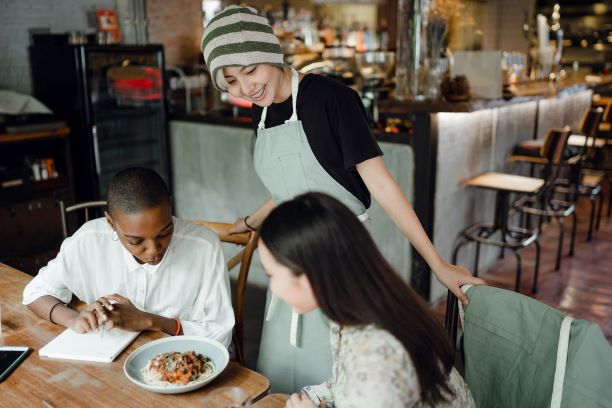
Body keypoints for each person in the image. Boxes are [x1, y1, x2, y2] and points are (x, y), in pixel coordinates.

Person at [201, 5, 484, 390]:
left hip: (342, 265)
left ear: (272, 54)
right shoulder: (262, 111)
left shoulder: (333, 100)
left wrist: (437, 264)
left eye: (251, 70)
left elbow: (382, 185)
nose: (246, 88)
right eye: (231, 81)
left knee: (347, 376)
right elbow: (285, 189)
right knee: (285, 378)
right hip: (292, 267)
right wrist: (250, 222)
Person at [259, 193, 475, 408]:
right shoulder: (361, 304)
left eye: (272, 274)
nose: (272, 288)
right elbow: (345, 383)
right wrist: (313, 396)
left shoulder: (377, 361)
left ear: (308, 277)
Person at [23, 167, 234, 346]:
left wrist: (151, 321)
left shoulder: (204, 247)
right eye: (136, 241)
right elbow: (35, 292)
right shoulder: (90, 240)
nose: (153, 250)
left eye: (165, 232)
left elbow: (220, 333)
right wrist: (73, 319)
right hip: (109, 365)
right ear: (110, 224)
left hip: (180, 359)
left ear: (170, 206)